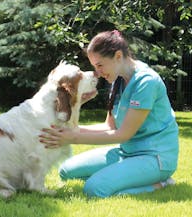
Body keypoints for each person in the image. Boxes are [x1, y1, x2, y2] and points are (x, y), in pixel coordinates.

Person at [39, 30, 179, 198]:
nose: (97, 73)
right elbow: (109, 126)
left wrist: (72, 138)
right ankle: (128, 175)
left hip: (155, 157)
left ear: (118, 56)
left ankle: (159, 183)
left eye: (100, 65)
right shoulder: (118, 78)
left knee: (95, 189)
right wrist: (71, 130)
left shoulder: (146, 82)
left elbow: (123, 134)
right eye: (94, 67)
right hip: (126, 152)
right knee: (65, 171)